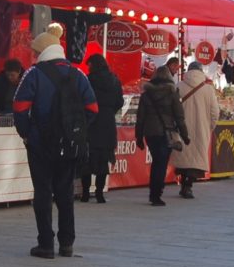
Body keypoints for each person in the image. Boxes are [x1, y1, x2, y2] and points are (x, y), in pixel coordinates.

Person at [13, 25, 97, 259]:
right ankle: (67, 243)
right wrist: (75, 131)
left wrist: (27, 133)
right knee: (65, 192)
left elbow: (19, 108)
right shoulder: (78, 74)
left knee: (42, 192)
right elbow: (93, 108)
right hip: (69, 145)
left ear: (41, 51)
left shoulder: (33, 74)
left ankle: (46, 244)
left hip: (41, 144)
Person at [135, 66, 188, 206]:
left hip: (150, 132)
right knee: (161, 163)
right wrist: (184, 134)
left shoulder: (146, 94)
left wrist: (138, 136)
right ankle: (156, 194)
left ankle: (154, 193)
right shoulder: (172, 93)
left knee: (156, 162)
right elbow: (179, 116)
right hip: (166, 132)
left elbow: (140, 117)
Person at [173, 61, 220, 199]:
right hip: (201, 128)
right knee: (196, 158)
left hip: (181, 129)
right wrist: (209, 126)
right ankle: (188, 185)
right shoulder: (208, 89)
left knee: (183, 157)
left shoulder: (179, 86)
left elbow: (171, 107)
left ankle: (184, 183)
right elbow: (215, 112)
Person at [81, 54, 122, 203]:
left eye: (89, 64)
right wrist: (109, 110)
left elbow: (82, 99)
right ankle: (99, 193)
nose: (88, 67)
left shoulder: (88, 80)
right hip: (107, 122)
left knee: (88, 158)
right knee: (104, 159)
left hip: (91, 121)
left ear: (94, 65)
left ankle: (85, 193)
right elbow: (120, 101)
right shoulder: (114, 80)